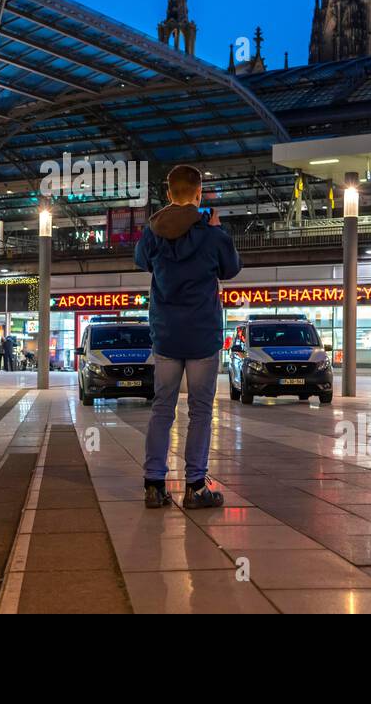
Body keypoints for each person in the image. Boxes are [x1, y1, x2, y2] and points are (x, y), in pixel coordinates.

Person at [135, 164, 241, 510]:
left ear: (169, 195)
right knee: (199, 411)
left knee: (162, 409)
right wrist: (217, 231)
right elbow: (231, 269)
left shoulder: (153, 232)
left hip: (165, 335)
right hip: (202, 337)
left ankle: (154, 485)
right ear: (199, 195)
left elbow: (141, 261)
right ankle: (195, 487)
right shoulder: (212, 235)